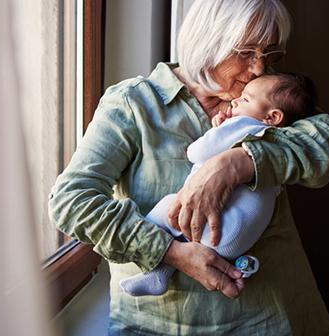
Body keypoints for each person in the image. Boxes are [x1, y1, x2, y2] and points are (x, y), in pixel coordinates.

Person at [49, 0, 329, 335]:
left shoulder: (262, 96)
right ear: (210, 39)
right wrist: (169, 253)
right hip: (160, 324)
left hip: (269, 319)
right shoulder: (134, 105)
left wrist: (238, 162)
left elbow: (324, 141)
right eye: (247, 51)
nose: (259, 67)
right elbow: (70, 202)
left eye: (267, 53)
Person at [120, 73, 317, 297]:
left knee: (168, 208)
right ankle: (171, 274)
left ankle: (157, 266)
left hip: (218, 230)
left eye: (245, 99)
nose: (235, 102)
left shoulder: (245, 124)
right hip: (238, 240)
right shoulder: (278, 136)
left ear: (272, 117)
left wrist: (218, 131)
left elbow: (197, 152)